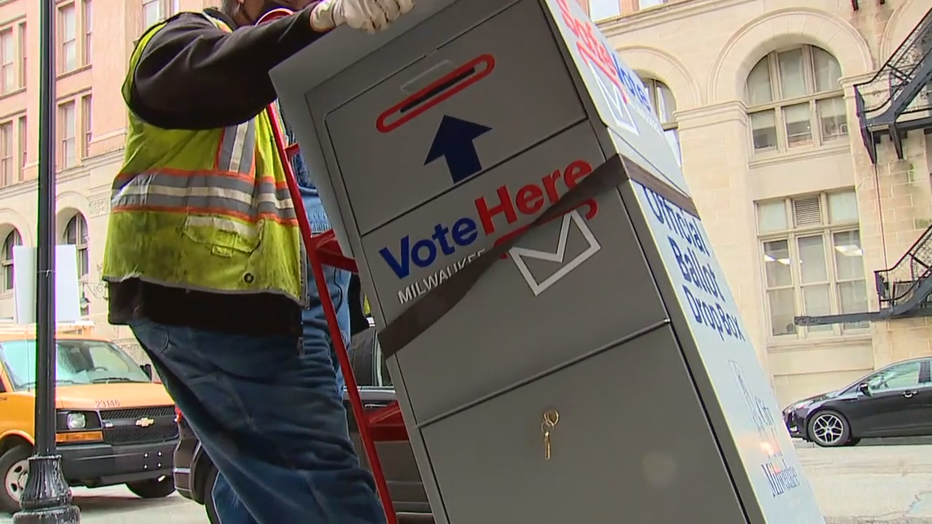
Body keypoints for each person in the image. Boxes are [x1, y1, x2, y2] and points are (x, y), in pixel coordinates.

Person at [101, 0, 415, 522]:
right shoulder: (182, 41)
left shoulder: (296, 97)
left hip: (274, 312)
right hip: (217, 301)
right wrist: (315, 24)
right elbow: (215, 70)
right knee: (319, 481)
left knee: (255, 483)